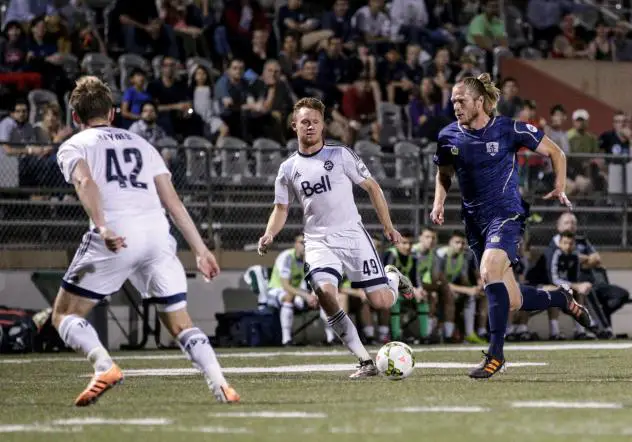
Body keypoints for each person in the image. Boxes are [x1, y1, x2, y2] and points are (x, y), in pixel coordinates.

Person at [53, 76, 239, 406]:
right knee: (180, 323)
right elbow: (173, 201)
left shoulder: (75, 144)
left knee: (64, 315)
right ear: (112, 113)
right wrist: (201, 249)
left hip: (118, 235)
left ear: (75, 117)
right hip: (157, 234)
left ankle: (103, 365)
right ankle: (220, 383)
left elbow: (84, 181)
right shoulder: (142, 144)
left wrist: (102, 227)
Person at [431, 73, 592, 379]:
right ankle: (560, 297)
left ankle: (495, 356)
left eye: (461, 100)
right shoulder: (448, 136)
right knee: (514, 300)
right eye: (453, 101)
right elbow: (444, 173)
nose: (456, 106)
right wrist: (438, 202)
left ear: (480, 101)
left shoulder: (508, 128)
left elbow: (555, 152)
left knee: (489, 270)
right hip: (474, 222)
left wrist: (559, 185)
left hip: (505, 215)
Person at [257, 97, 413, 378]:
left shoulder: (341, 155)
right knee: (325, 294)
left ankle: (391, 277)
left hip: (353, 236)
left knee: (380, 301)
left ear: (323, 126)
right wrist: (270, 233)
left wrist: (388, 227)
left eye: (315, 122)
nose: (310, 126)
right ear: (294, 126)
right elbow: (281, 208)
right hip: (317, 242)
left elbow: (373, 188)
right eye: (305, 121)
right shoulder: (288, 169)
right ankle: (365, 361)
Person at [266, 234, 318, 345]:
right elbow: (286, 286)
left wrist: (314, 295)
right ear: (295, 244)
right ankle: (286, 340)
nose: (305, 246)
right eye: (302, 243)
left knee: (322, 299)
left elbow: (313, 281)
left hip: (296, 292)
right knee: (289, 297)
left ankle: (331, 339)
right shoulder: (287, 257)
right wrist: (306, 296)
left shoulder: (309, 260)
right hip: (276, 291)